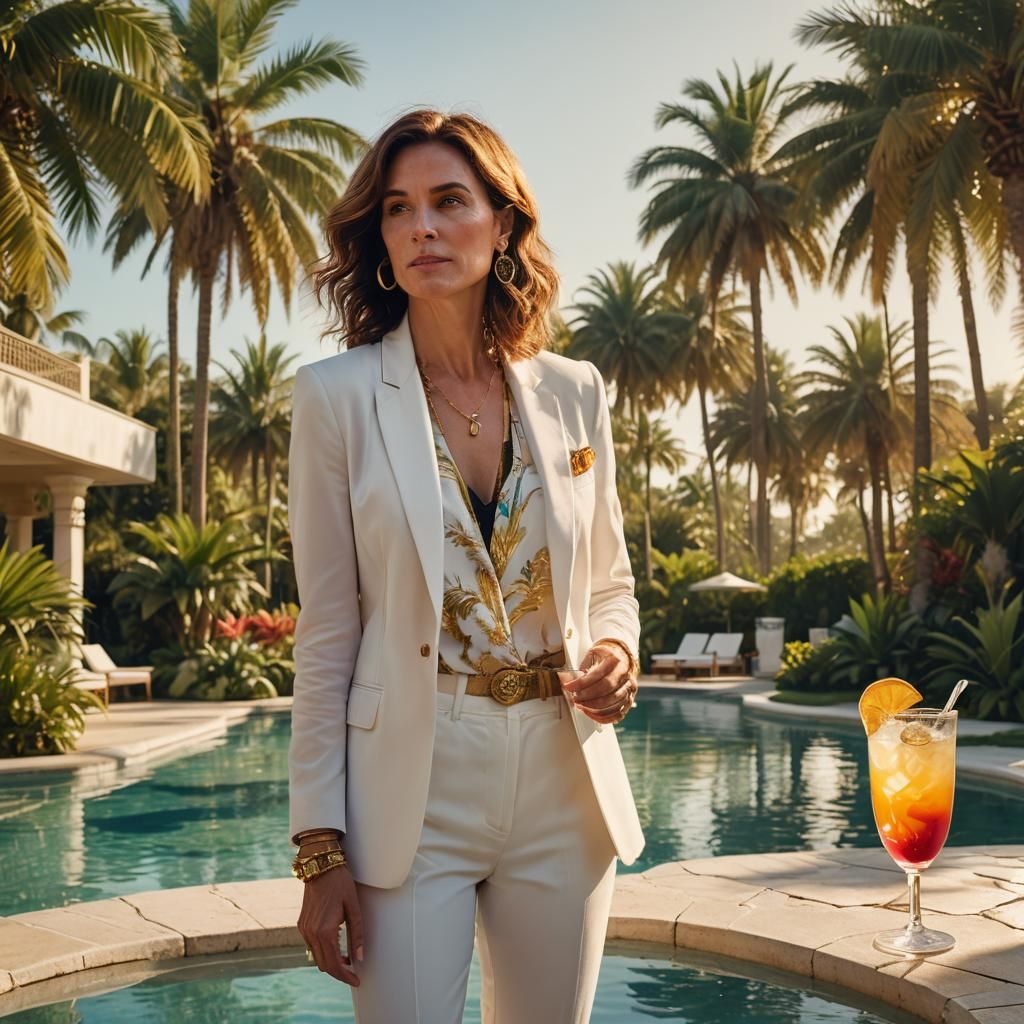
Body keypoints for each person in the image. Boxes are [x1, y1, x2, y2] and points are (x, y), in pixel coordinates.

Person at [288, 107, 644, 1024]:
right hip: (414, 786)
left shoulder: (574, 392)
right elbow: (329, 631)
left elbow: (610, 579)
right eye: (399, 209)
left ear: (503, 222)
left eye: (450, 201)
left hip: (567, 781)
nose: (422, 228)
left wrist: (617, 649)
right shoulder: (336, 399)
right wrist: (319, 849)